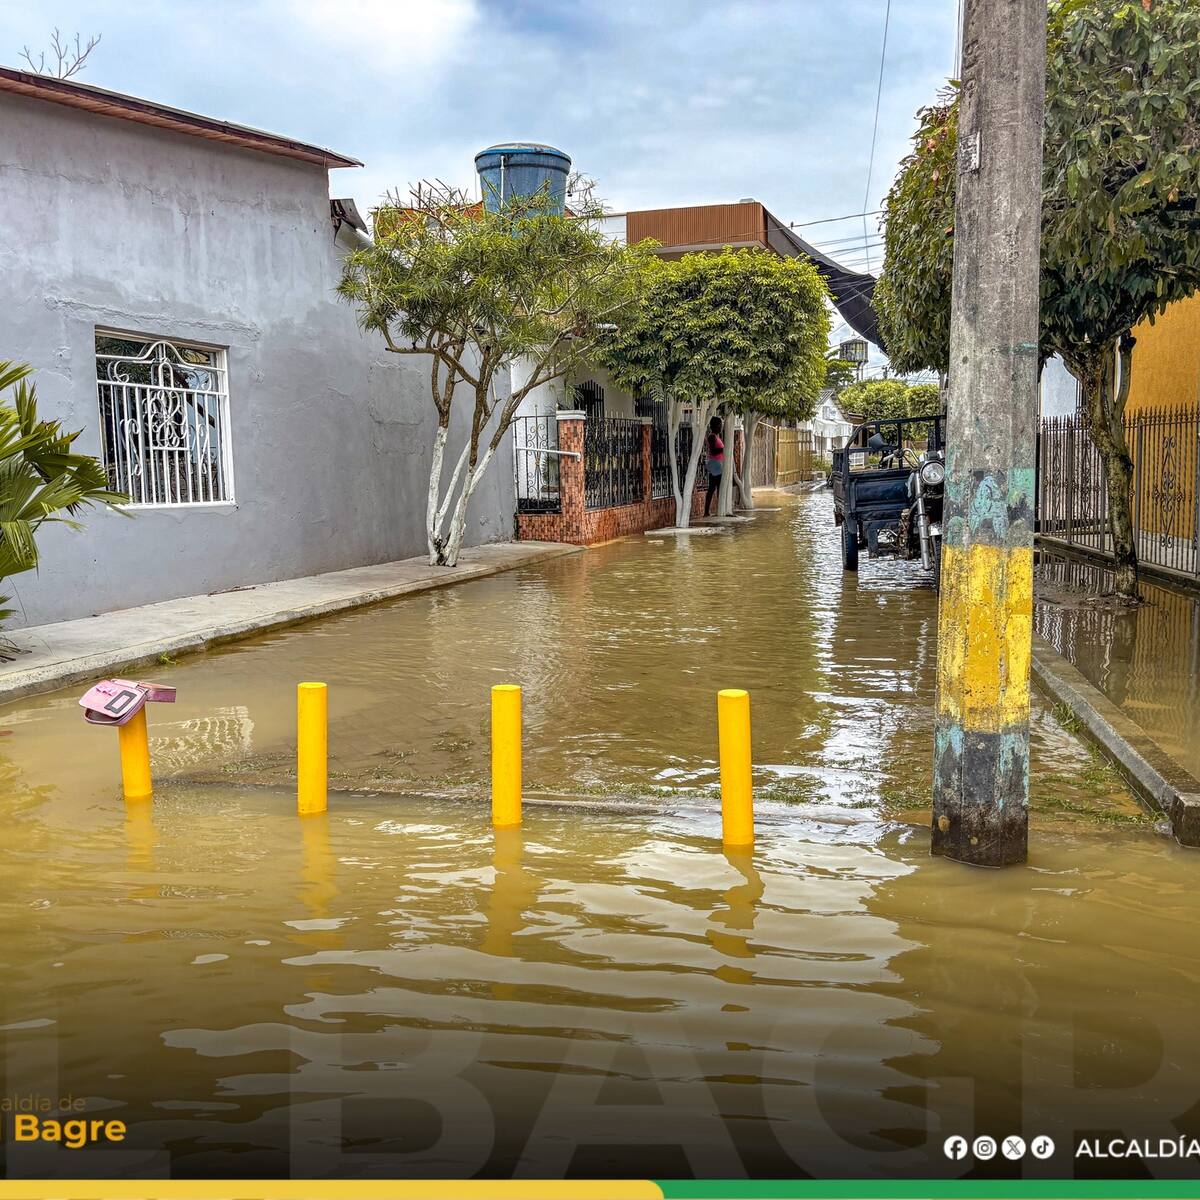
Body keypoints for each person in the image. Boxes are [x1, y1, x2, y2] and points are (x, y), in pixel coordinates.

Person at [703, 415, 724, 517]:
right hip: (714, 464)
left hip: (717, 464)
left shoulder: (717, 437)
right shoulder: (712, 437)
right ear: (715, 426)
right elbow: (713, 451)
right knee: (714, 488)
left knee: (715, 487)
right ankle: (708, 511)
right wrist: (724, 449)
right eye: (719, 425)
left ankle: (712, 510)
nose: (721, 427)